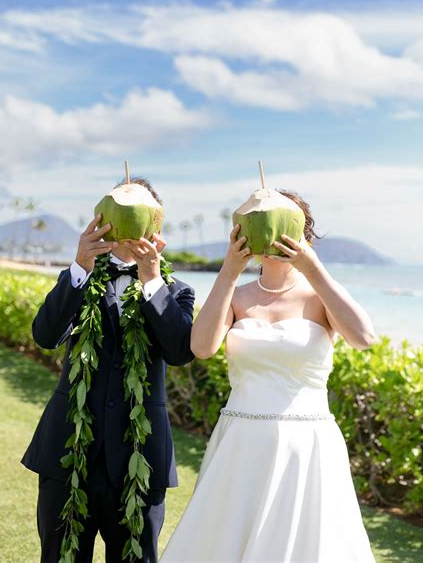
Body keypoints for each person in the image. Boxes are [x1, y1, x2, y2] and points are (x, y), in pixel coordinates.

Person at [160, 191, 377, 563]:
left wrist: (313, 268)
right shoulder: (237, 295)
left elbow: (363, 337)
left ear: (302, 233)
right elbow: (202, 347)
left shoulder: (320, 295)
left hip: (307, 446)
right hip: (242, 443)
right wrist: (230, 267)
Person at [21, 177, 195, 563]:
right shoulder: (78, 279)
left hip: (140, 458)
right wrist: (80, 266)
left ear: (155, 226)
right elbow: (45, 335)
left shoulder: (177, 290)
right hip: (68, 449)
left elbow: (181, 351)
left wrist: (152, 280)